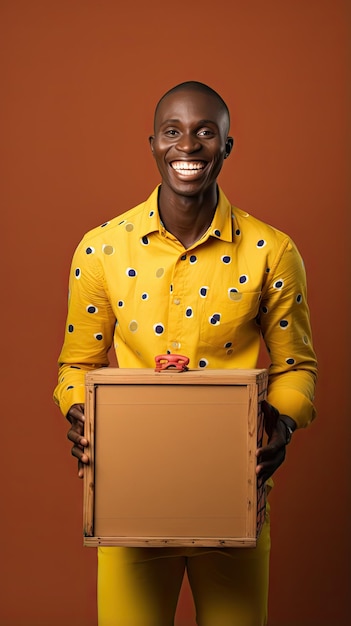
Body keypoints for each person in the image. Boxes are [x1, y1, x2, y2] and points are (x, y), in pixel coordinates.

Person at [54, 81, 317, 626]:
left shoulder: (273, 251)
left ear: (226, 146)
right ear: (152, 144)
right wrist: (80, 410)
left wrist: (282, 424)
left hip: (235, 494)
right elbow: (77, 364)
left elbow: (297, 367)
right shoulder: (101, 249)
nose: (188, 147)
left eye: (205, 133)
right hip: (130, 497)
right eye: (173, 133)